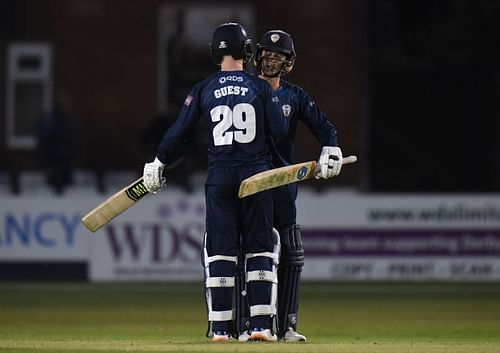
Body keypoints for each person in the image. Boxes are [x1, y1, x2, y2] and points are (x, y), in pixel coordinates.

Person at [142, 23, 288, 342]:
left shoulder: (202, 89)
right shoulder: (260, 88)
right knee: (260, 248)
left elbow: (178, 131)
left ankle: (221, 328)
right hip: (257, 176)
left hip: (220, 177)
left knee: (220, 251)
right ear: (245, 51)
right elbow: (278, 130)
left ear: (215, 53)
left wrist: (158, 162)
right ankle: (260, 326)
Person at [236, 30, 344, 342]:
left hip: (283, 182)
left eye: (278, 57)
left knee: (292, 252)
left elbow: (324, 127)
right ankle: (247, 325)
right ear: (256, 57)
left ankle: (287, 327)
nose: (271, 61)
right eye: (267, 55)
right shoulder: (242, 91)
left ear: (288, 63)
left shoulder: (294, 96)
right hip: (250, 184)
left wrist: (330, 148)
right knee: (251, 254)